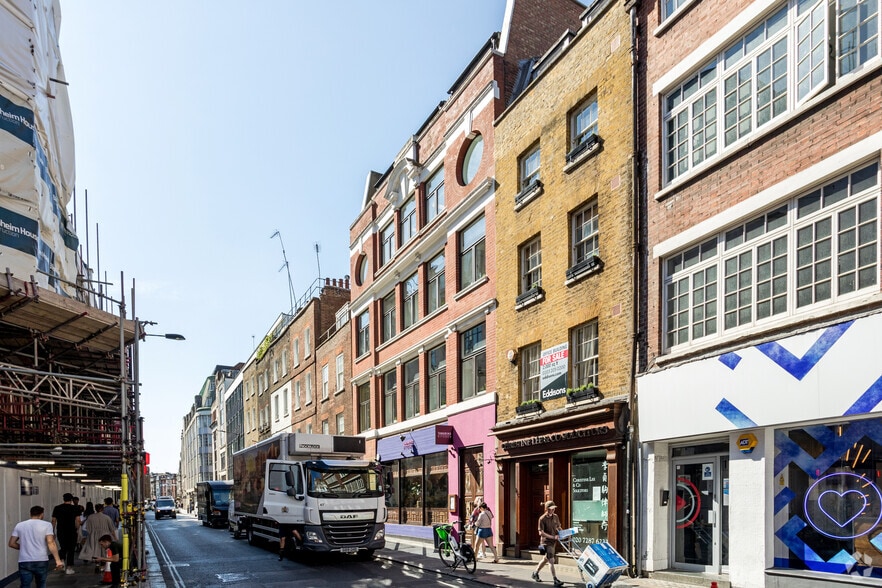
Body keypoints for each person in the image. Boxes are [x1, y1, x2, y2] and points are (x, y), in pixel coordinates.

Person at [8, 505, 64, 588]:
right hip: (41, 559)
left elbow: (11, 543)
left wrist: (24, 547)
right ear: (42, 514)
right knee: (41, 584)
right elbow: (50, 542)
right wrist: (58, 560)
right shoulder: (47, 525)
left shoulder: (20, 525)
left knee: (25, 585)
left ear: (30, 514)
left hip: (24, 560)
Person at [532, 500, 564, 586]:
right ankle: (555, 580)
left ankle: (535, 573)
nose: (553, 510)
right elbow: (541, 533)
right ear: (547, 509)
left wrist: (564, 533)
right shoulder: (542, 519)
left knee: (546, 559)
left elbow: (558, 527)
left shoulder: (555, 516)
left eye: (554, 508)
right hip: (546, 542)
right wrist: (553, 537)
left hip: (553, 541)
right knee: (551, 560)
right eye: (551, 509)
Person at [51, 492, 81, 574]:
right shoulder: (75, 508)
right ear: (71, 500)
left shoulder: (57, 508)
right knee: (71, 549)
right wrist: (77, 529)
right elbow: (78, 520)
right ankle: (69, 568)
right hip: (71, 531)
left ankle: (62, 562)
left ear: (63, 499)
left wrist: (52, 531)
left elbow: (53, 521)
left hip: (61, 530)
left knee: (63, 547)